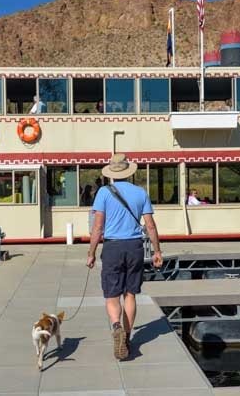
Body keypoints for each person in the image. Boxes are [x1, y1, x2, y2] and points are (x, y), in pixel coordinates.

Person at [86, 153, 163, 360]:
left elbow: (98, 226)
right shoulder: (140, 192)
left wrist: (91, 253)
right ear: (129, 172)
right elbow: (150, 226)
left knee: (112, 294)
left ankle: (116, 326)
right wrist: (157, 251)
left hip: (112, 247)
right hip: (135, 247)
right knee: (130, 294)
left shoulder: (103, 192)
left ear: (111, 173)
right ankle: (127, 337)